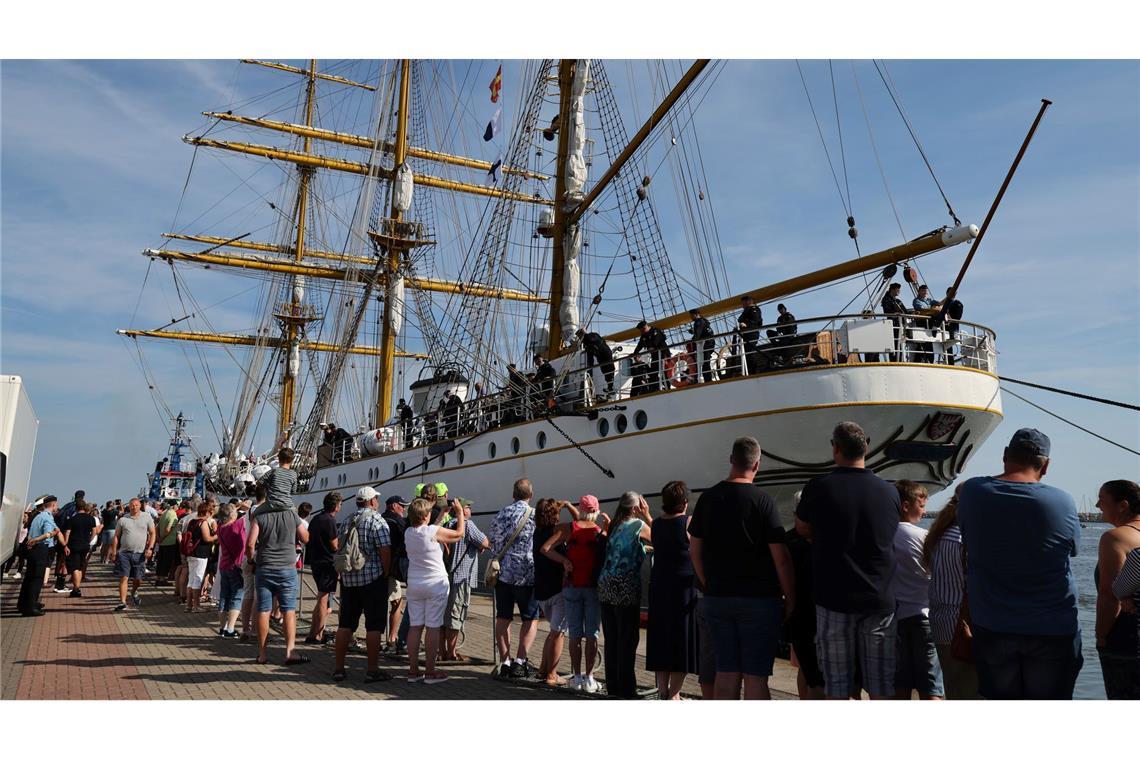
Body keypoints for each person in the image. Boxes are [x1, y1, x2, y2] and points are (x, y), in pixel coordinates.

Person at [957, 428, 1083, 700]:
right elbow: (1072, 550)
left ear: (1005, 455)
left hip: (993, 624)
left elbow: (967, 540)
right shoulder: (1062, 501)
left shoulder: (972, 492)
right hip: (1053, 625)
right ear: (1045, 465)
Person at [795, 421, 901, 700]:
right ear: (866, 447)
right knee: (881, 687)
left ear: (836, 448)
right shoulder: (889, 491)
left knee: (838, 686)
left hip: (834, 598)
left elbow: (802, 528)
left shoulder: (819, 487)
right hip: (879, 599)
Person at [690, 437, 794, 700]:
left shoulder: (708, 498)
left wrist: (709, 583)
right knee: (756, 676)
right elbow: (780, 557)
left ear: (731, 460)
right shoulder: (764, 501)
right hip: (759, 601)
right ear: (757, 464)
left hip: (718, 598)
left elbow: (695, 550)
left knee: (725, 673)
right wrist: (791, 598)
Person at [540, 494, 609, 693]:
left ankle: (576, 677)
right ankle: (589, 678)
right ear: (596, 511)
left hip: (571, 586)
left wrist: (564, 561)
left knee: (575, 635)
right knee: (592, 635)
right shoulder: (599, 532)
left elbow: (545, 549)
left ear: (580, 508)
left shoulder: (570, 529)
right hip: (593, 588)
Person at [890, 480, 944, 700]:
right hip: (923, 616)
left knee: (900, 685)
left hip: (895, 618)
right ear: (905, 505)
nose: (923, 512)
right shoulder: (923, 537)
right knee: (930, 687)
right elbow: (936, 574)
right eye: (921, 506)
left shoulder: (883, 535)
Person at [404, 497, 467, 684]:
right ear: (425, 516)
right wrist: (460, 512)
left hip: (415, 584)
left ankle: (413, 671)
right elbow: (459, 534)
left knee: (415, 627)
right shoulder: (431, 531)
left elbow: (430, 530)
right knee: (433, 627)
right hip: (435, 585)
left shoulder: (409, 532)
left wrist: (442, 514)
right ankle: (430, 671)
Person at [646, 480, 700, 700]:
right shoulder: (689, 522)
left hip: (660, 587)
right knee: (682, 641)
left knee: (661, 638)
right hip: (683, 589)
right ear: (684, 502)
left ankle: (662, 690)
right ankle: (674, 695)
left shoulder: (656, 524)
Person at [332, 486, 391, 682]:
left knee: (345, 625)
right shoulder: (376, 520)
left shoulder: (348, 520)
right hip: (372, 579)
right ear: (372, 501)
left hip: (349, 580)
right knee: (374, 626)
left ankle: (339, 668)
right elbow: (385, 550)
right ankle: (372, 670)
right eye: (376, 499)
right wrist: (386, 572)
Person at [246, 484, 309, 666]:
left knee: (263, 610)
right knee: (288, 610)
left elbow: (250, 545)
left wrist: (251, 561)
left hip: (265, 567)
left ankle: (262, 654)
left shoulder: (259, 515)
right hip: (287, 568)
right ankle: (290, 651)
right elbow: (305, 538)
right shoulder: (291, 514)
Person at [597, 491, 652, 698]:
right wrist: (647, 516)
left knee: (612, 638)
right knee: (627, 639)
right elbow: (662, 538)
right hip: (626, 586)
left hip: (606, 583)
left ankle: (613, 686)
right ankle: (627, 690)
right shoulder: (638, 525)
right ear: (636, 507)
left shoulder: (614, 525)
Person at [1092, 479, 1140, 699]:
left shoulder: (1116, 538)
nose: (1097, 506)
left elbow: (1109, 596)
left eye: (1102, 499)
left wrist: (1101, 635)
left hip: (1126, 638)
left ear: (1123, 505)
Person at [488, 478, 539, 678]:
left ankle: (505, 662)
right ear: (530, 495)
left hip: (502, 573)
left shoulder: (501, 514)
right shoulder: (534, 515)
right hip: (527, 574)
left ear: (513, 494)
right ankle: (520, 661)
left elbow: (492, 540)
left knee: (503, 617)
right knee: (530, 618)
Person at [783, 491, 824, 699]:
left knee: (804, 666)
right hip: (821, 610)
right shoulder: (826, 542)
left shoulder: (787, 541)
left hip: (797, 611)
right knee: (820, 675)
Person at [441, 498, 489, 662]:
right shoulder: (468, 525)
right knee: (456, 616)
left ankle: (442, 650)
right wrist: (480, 545)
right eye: (467, 507)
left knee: (444, 617)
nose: (470, 510)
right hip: (462, 577)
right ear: (461, 509)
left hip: (448, 575)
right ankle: (452, 653)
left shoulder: (447, 525)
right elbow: (485, 542)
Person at [533, 498, 573, 686]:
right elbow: (580, 522)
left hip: (541, 590)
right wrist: (564, 561)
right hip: (557, 590)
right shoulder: (559, 531)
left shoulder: (537, 532)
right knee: (558, 633)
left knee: (553, 632)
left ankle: (542, 669)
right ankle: (552, 674)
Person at [304, 492, 341, 645]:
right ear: (336, 506)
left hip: (315, 561)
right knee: (323, 599)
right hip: (327, 563)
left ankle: (313, 632)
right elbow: (334, 545)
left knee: (321, 597)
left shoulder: (316, 519)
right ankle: (317, 635)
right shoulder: (330, 521)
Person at [17, 496, 62, 616]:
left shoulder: (38, 516)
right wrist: (53, 533)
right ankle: (31, 607)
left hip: (33, 550)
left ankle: (23, 604)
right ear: (53, 505)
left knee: (29, 578)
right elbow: (47, 534)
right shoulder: (47, 518)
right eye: (56, 505)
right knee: (36, 579)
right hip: (40, 549)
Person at [110, 498, 156, 612]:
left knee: (138, 579)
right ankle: (123, 602)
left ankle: (134, 590)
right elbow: (116, 536)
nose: (134, 507)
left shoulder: (147, 517)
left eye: (136, 505)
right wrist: (114, 552)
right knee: (124, 577)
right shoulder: (123, 519)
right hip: (124, 553)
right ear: (129, 506)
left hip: (140, 553)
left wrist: (150, 548)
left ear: (140, 506)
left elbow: (153, 533)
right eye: (132, 505)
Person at [381, 495, 410, 653]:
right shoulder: (398, 521)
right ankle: (392, 638)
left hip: (376, 568)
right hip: (391, 569)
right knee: (396, 602)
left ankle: (380, 636)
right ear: (393, 506)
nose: (404, 509)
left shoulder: (379, 518)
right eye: (401, 506)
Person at [214, 502, 246, 638]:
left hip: (224, 565)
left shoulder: (220, 527)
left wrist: (233, 508)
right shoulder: (235, 525)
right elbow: (249, 517)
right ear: (232, 514)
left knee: (224, 596)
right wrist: (244, 506)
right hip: (235, 565)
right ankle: (231, 629)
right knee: (237, 596)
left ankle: (222, 628)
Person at [184, 502, 218, 613]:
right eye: (210, 512)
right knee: (197, 579)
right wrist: (217, 536)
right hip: (201, 553)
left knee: (191, 580)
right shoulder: (203, 523)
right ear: (207, 512)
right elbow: (207, 538)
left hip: (191, 553)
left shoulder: (191, 522)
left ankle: (189, 605)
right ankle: (196, 606)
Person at [62, 503, 99, 598]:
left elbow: (67, 532)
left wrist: (65, 544)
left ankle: (76, 588)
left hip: (73, 545)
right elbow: (95, 531)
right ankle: (76, 588)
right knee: (80, 566)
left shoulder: (72, 519)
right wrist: (89, 540)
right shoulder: (91, 518)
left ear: (76, 508)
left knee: (74, 567)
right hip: (85, 545)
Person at [577, 328, 617, 398]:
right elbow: (590, 356)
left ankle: (611, 387)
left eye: (580, 336)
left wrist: (586, 336)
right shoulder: (586, 344)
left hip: (605, 353)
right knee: (604, 371)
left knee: (610, 369)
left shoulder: (592, 335)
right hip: (600, 357)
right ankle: (610, 387)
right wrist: (590, 365)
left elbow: (594, 339)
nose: (580, 338)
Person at [256, 447, 299, 513]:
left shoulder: (274, 471)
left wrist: (267, 487)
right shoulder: (294, 474)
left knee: (254, 515)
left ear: (279, 459)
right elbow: (293, 491)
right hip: (287, 505)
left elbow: (259, 483)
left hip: (271, 504)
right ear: (292, 460)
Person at [632, 320, 669, 393]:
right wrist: (635, 353)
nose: (641, 332)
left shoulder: (655, 331)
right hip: (655, 356)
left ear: (645, 327)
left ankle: (667, 387)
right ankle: (656, 388)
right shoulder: (644, 336)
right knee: (653, 373)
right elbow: (640, 345)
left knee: (664, 372)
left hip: (663, 354)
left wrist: (652, 347)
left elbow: (656, 341)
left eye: (641, 330)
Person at [881, 282, 909, 361]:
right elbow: (887, 311)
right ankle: (894, 359)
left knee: (899, 343)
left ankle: (900, 359)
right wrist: (895, 313)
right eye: (898, 290)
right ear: (892, 290)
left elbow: (905, 311)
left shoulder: (898, 301)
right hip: (892, 325)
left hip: (900, 325)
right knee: (894, 343)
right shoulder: (886, 299)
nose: (899, 291)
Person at [737, 295, 763, 375]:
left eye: (743, 302)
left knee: (749, 353)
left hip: (751, 333)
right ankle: (748, 370)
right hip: (745, 335)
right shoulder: (747, 309)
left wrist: (746, 324)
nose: (742, 305)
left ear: (749, 301)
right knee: (746, 353)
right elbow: (740, 319)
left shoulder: (754, 309)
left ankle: (754, 371)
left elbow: (755, 321)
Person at [155, 501, 179, 586]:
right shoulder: (173, 514)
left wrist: (158, 538)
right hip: (169, 541)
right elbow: (169, 528)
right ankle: (163, 580)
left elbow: (157, 527)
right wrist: (162, 538)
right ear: (174, 506)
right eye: (177, 505)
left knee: (161, 561)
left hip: (162, 542)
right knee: (166, 562)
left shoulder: (164, 514)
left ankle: (158, 578)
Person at [689, 308, 715, 384]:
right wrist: (694, 332)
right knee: (705, 362)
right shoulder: (704, 321)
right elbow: (702, 331)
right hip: (710, 343)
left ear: (696, 315)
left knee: (704, 363)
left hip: (706, 344)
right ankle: (707, 379)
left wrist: (692, 341)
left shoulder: (698, 322)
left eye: (691, 316)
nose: (691, 317)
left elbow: (697, 335)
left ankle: (707, 380)